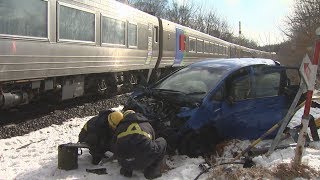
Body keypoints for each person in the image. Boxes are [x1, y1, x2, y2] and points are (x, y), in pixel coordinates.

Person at [113, 110, 167, 179]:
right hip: (144, 161)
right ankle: (151, 171)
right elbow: (152, 141)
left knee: (124, 147)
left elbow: (113, 145)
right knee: (162, 141)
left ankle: (127, 170)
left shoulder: (119, 127)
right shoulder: (147, 125)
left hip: (124, 162)